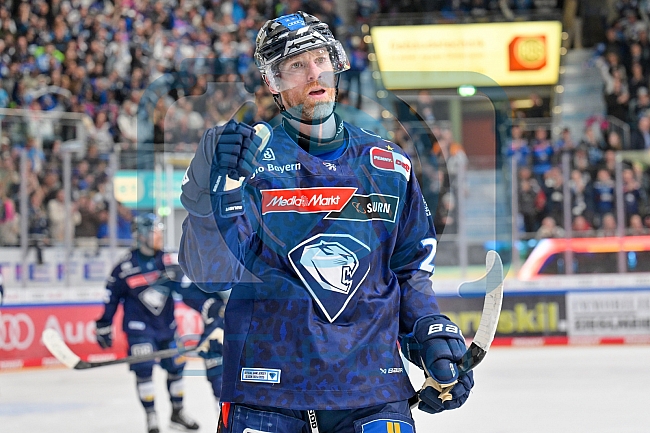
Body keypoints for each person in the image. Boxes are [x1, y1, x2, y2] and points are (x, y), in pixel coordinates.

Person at [178, 11, 473, 433]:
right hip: (267, 392)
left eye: (320, 59)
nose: (314, 72)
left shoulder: (388, 164)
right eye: (297, 65)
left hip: (371, 390)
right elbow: (212, 274)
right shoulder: (248, 160)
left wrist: (429, 333)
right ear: (273, 83)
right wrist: (208, 195)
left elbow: (409, 270)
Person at [94, 213, 201, 433]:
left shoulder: (169, 261)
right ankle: (151, 416)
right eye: (155, 231)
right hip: (138, 328)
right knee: (144, 370)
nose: (159, 235)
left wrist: (207, 307)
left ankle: (177, 412)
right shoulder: (124, 267)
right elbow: (111, 297)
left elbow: (188, 291)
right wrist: (103, 324)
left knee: (177, 367)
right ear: (141, 235)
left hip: (167, 327)